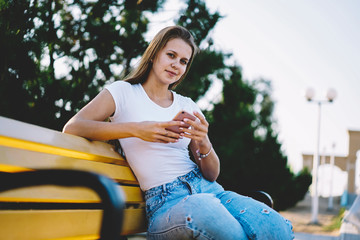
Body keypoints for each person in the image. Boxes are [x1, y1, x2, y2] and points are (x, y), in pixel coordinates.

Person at [63, 25, 294, 240]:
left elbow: (212, 174)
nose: (176, 65)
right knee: (212, 215)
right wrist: (137, 130)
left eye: (183, 61)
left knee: (276, 228)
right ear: (154, 54)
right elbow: (73, 127)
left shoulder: (188, 105)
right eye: (171, 55)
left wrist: (203, 142)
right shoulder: (123, 92)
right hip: (165, 203)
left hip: (209, 191)